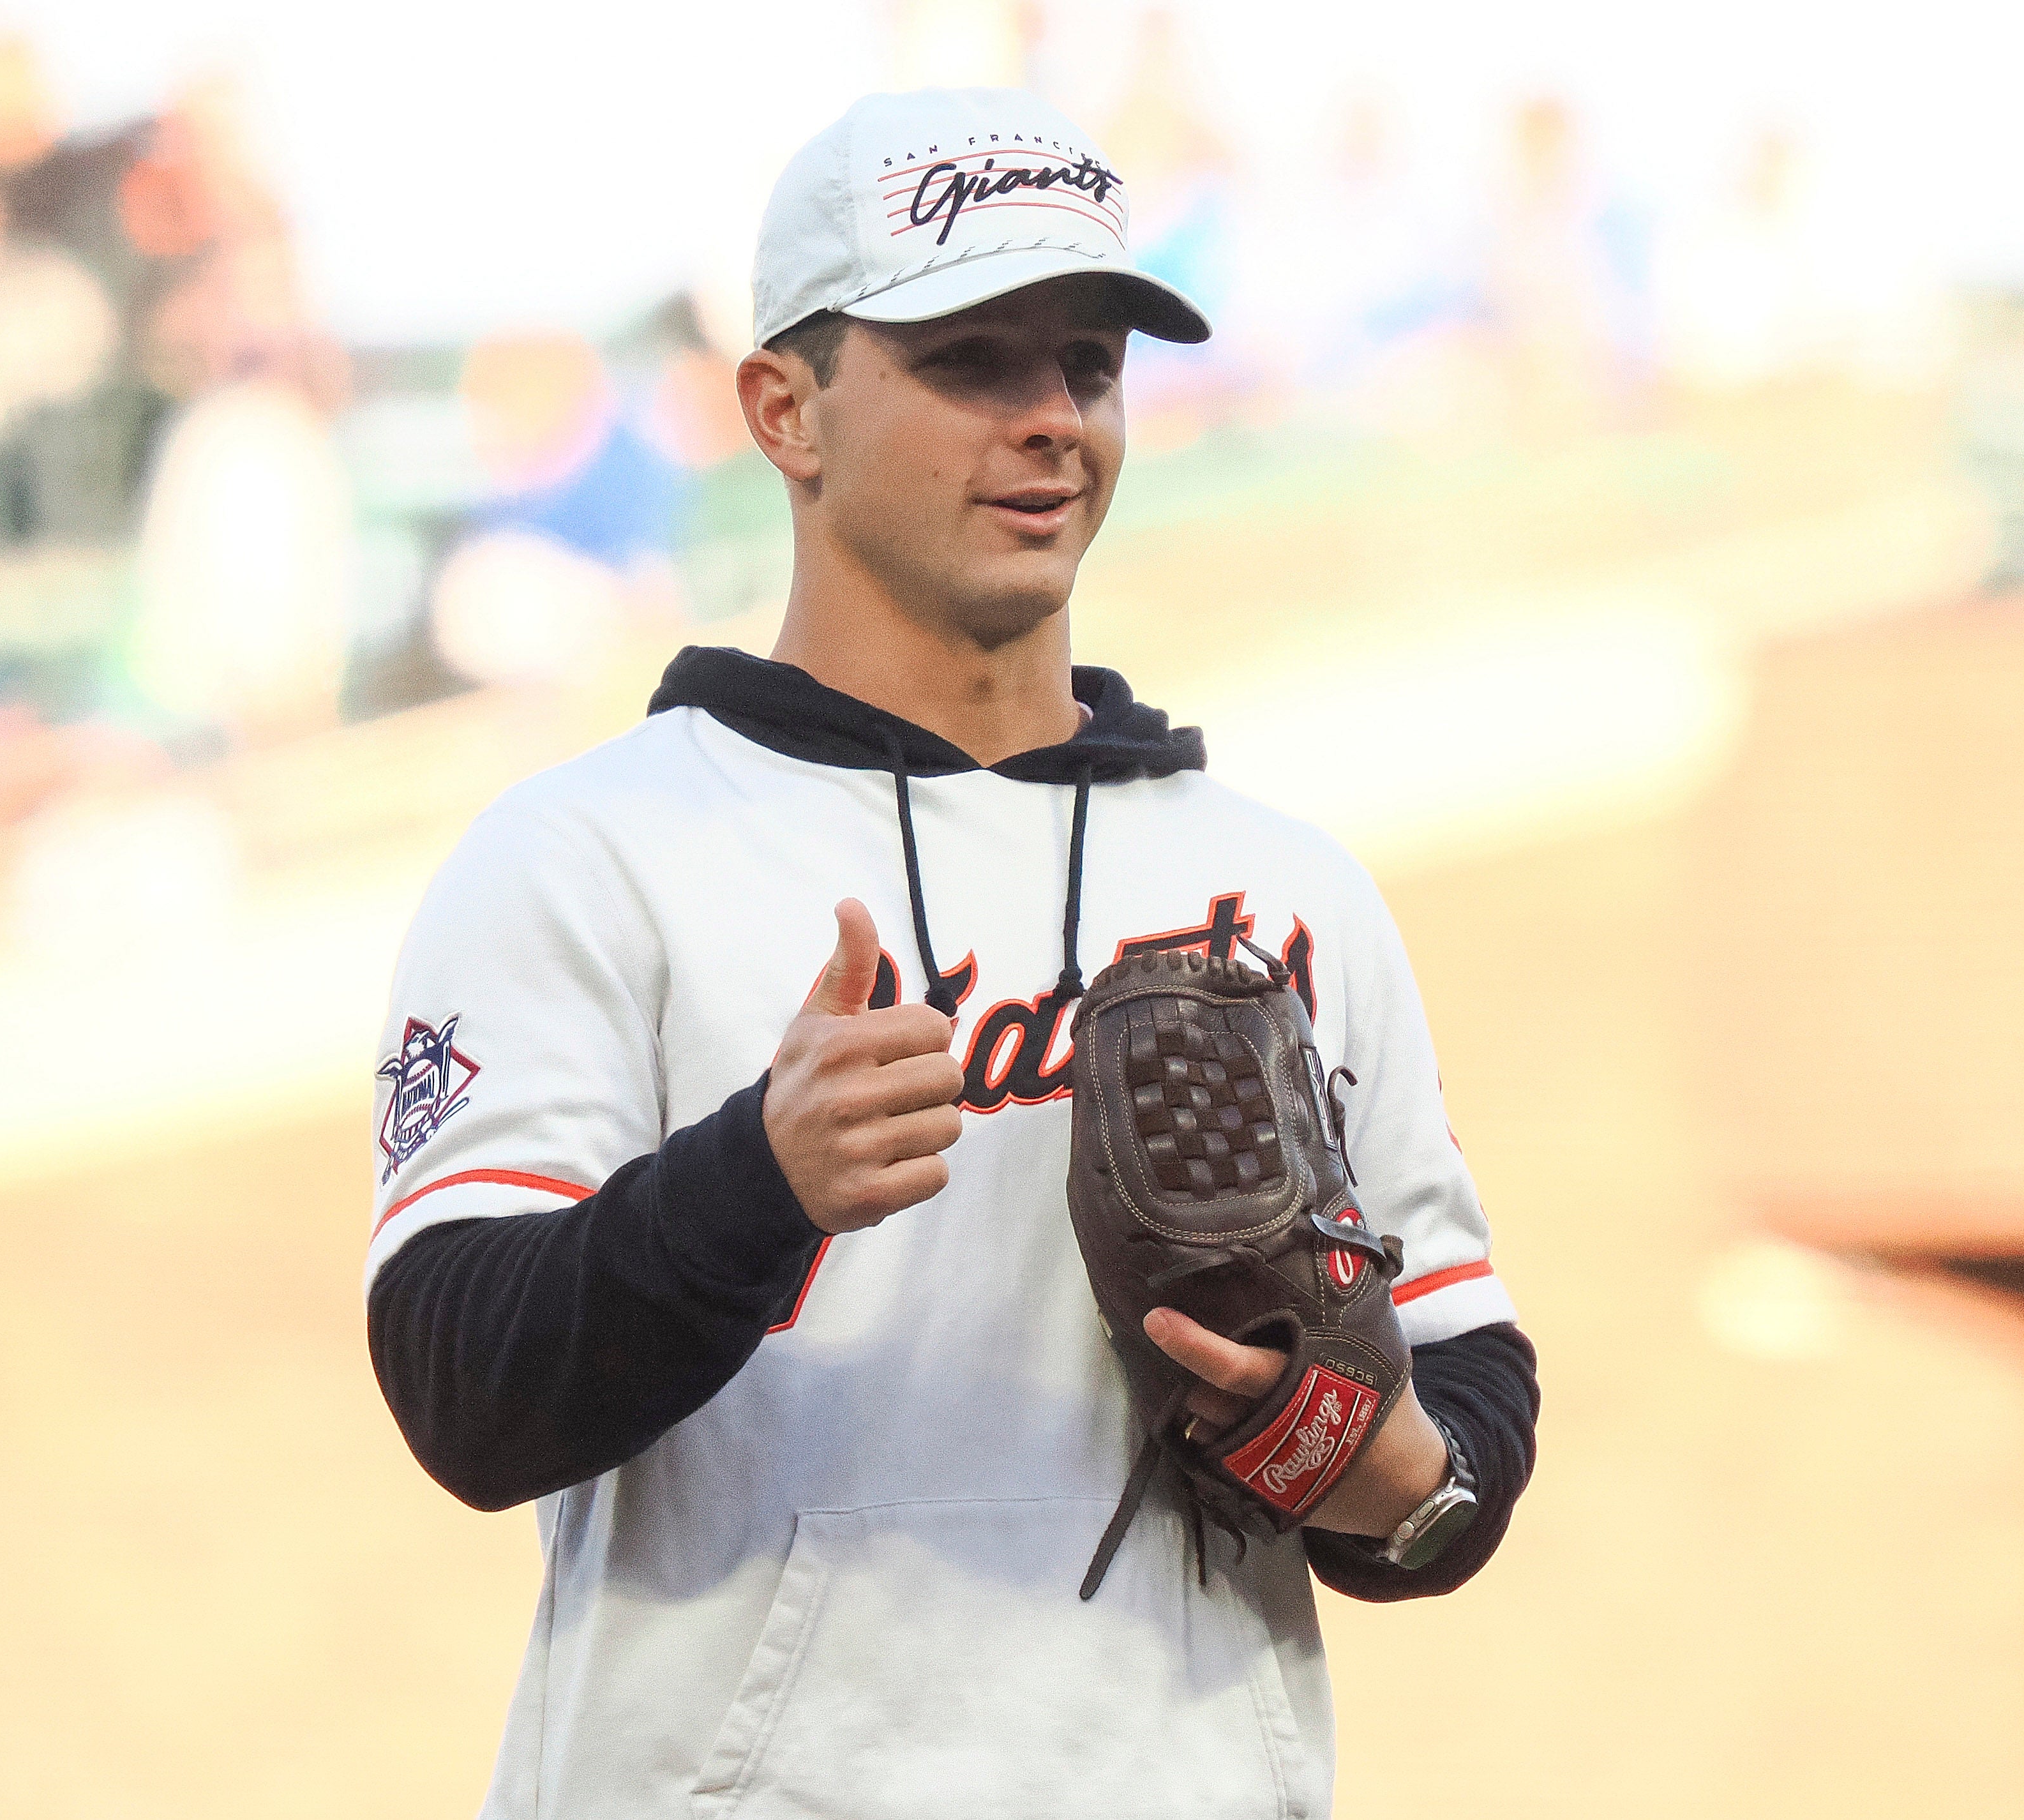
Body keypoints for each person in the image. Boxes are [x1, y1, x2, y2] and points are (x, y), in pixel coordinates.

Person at [365, 87, 1538, 1818]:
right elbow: (466, 1386)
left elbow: (1458, 1437)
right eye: (970, 360)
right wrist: (752, 1183)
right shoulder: (587, 855)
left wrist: (1330, 1442)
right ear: (785, 408)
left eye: (1087, 362)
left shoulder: (1282, 890)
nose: (1051, 419)